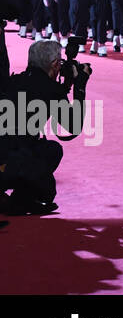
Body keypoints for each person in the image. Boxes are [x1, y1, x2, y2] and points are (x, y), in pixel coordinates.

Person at [0, 40, 90, 215]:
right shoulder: (50, 89)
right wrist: (80, 86)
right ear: (55, 64)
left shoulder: (14, 81)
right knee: (52, 150)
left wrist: (63, 87)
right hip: (12, 165)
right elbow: (73, 125)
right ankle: (22, 199)